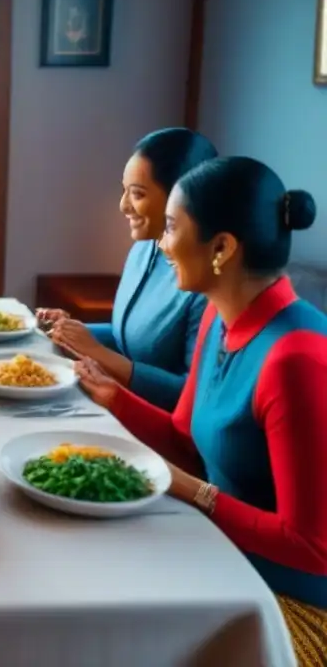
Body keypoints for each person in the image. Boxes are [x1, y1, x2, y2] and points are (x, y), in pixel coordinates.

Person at [75, 156, 327, 666]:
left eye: (171, 227)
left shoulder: (297, 358)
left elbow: (312, 548)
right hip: (221, 555)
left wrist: (190, 489)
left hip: (287, 602)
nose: (161, 244)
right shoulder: (219, 313)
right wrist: (113, 398)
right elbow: (185, 441)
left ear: (222, 248)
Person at [38, 128, 217, 410]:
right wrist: (70, 331)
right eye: (125, 191)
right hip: (118, 404)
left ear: (181, 198)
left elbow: (191, 397)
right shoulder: (145, 248)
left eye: (137, 194)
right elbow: (130, 339)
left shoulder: (206, 281)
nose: (123, 206)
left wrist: (97, 352)